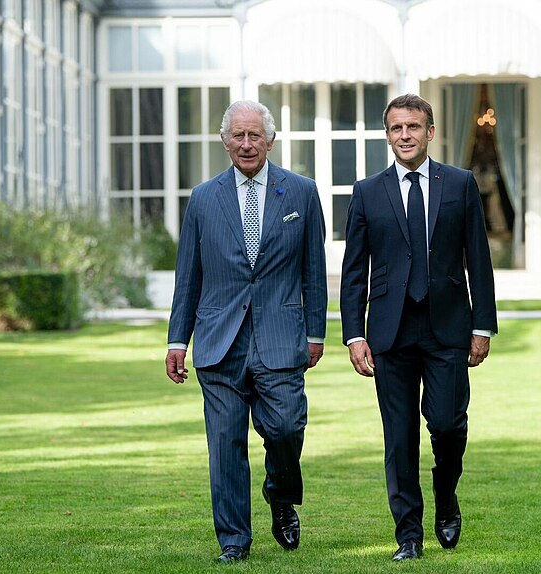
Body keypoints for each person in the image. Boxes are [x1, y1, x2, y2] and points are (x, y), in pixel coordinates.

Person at [165, 100, 327, 564]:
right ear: (224, 140)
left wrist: (316, 331)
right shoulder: (202, 199)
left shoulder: (301, 193)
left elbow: (313, 270)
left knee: (286, 427)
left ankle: (280, 495)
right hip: (219, 341)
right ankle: (233, 540)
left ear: (271, 140)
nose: (246, 143)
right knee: (225, 445)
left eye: (255, 135)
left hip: (281, 336)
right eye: (238, 135)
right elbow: (188, 277)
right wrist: (179, 339)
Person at [340, 94, 498, 561]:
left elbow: (479, 259)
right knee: (400, 436)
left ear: (430, 132)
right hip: (390, 332)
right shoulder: (368, 191)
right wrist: (355, 334)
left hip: (448, 326)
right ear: (387, 135)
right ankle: (408, 534)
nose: (404, 136)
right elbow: (354, 271)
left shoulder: (460, 184)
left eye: (413, 127)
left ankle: (446, 495)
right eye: (395, 129)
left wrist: (483, 325)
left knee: (448, 426)